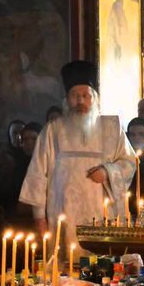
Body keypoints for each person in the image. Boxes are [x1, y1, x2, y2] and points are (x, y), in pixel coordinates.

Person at [20, 62, 137, 249]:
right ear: (67, 100)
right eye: (75, 96)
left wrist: (107, 171)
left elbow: (129, 162)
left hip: (101, 217)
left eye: (85, 96)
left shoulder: (112, 128)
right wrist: (39, 217)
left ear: (95, 99)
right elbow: (37, 175)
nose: (80, 101)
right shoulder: (52, 130)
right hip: (62, 217)